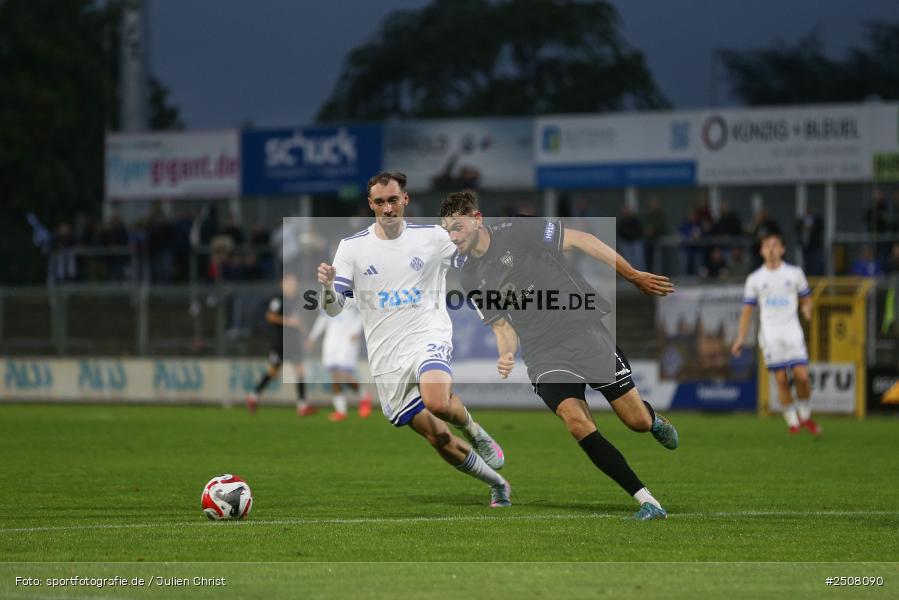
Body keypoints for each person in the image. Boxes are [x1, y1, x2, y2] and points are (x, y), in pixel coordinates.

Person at [439, 189, 678, 521]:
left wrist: (633, 275)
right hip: (542, 353)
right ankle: (647, 500)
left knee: (635, 421)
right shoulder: (469, 275)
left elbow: (582, 240)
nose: (453, 237)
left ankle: (651, 420)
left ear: (476, 220)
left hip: (582, 329)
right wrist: (506, 354)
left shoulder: (517, 230)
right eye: (447, 230)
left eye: (457, 227)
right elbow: (502, 326)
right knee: (577, 424)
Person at [317, 171, 510, 507]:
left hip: (428, 335)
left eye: (393, 200)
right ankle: (498, 483)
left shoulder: (433, 237)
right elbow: (334, 309)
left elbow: (474, 259)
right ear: (371, 204)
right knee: (438, 437)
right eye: (380, 202)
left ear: (405, 199)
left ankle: (475, 432)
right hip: (387, 358)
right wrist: (327, 288)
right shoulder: (351, 248)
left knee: (437, 401)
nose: (388, 208)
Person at [731, 232, 821, 436]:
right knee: (781, 380)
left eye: (774, 245)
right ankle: (793, 422)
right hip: (770, 335)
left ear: (782, 249)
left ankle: (805, 416)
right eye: (767, 246)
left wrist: (807, 309)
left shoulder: (795, 273)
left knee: (802, 377)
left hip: (792, 332)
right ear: (762, 251)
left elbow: (807, 299)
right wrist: (740, 337)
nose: (771, 249)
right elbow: (747, 311)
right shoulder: (755, 279)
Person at [246, 273, 313, 416]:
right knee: (274, 371)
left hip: (293, 342)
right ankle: (253, 396)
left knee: (300, 371)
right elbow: (270, 316)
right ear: (283, 284)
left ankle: (302, 405)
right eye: (290, 283)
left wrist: (304, 334)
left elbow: (298, 321)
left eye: (294, 283)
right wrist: (289, 321)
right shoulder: (278, 299)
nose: (293, 286)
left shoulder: (295, 300)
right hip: (280, 341)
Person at [306, 299, 374, 421]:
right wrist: (312, 337)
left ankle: (364, 396)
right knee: (335, 377)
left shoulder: (352, 294)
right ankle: (341, 411)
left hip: (347, 340)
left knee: (343, 376)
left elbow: (363, 313)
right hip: (331, 341)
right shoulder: (326, 295)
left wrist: (356, 330)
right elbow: (322, 318)